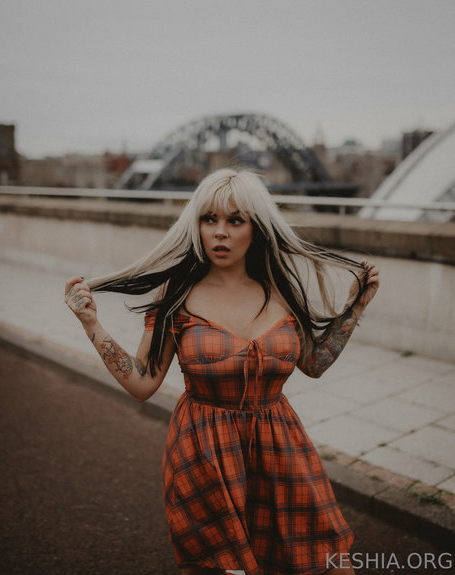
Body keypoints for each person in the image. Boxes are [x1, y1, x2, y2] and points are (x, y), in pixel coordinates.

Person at [65, 168, 379, 575]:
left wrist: (355, 308)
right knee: (214, 566)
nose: (220, 232)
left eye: (235, 220)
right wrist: (91, 324)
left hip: (281, 448)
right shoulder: (177, 294)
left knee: (327, 561)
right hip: (204, 452)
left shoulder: (282, 289)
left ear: (256, 227)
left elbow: (314, 363)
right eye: (209, 219)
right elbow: (142, 382)